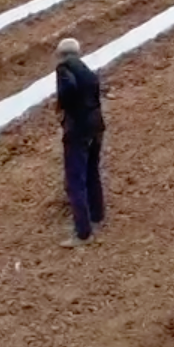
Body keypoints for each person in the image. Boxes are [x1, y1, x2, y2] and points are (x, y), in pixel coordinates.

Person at [54, 38, 105, 247]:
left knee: (76, 180)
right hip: (96, 126)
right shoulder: (88, 72)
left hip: (78, 130)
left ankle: (83, 233)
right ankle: (97, 215)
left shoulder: (64, 69)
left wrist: (63, 107)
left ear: (61, 55)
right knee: (92, 172)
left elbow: (68, 89)